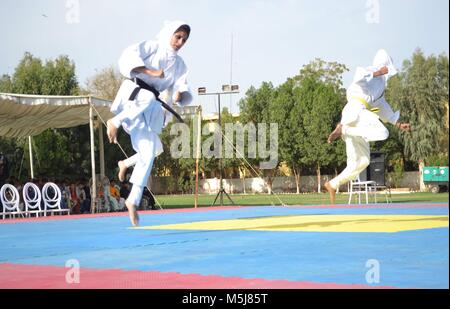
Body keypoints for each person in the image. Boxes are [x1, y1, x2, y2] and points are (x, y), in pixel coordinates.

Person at [106, 20, 193, 226]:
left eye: (184, 39)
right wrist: (151, 72)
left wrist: (180, 95)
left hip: (149, 106)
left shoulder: (180, 65)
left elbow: (180, 86)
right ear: (169, 33)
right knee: (147, 97)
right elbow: (129, 56)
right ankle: (115, 121)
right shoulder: (153, 46)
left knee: (149, 152)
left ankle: (133, 200)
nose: (180, 42)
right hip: (134, 94)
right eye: (177, 36)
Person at [325, 49, 411, 204]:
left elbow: (383, 109)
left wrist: (398, 124)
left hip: (356, 121)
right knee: (382, 132)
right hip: (355, 110)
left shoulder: (380, 91)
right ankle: (343, 129)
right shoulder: (371, 71)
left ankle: (332, 184)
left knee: (362, 161)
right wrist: (378, 72)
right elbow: (359, 74)